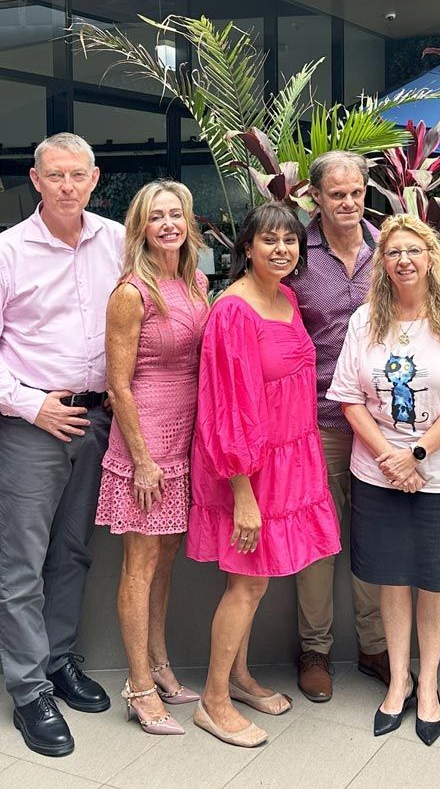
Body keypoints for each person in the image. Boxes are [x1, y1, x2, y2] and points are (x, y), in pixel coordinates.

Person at [0, 132, 122, 757]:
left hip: (99, 418)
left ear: (95, 177)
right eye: (55, 175)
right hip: (33, 423)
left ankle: (58, 661)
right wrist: (33, 405)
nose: (68, 186)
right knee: (22, 564)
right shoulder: (4, 253)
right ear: (35, 179)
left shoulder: (117, 240)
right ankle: (29, 693)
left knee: (74, 551)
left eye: (78, 175)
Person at [326, 214, 440, 746]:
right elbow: (348, 397)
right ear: (383, 263)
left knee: (434, 581)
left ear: (430, 258)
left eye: (412, 251)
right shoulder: (364, 320)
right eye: (392, 252)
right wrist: (389, 458)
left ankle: (430, 688)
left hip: (439, 473)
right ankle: (398, 681)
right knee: (392, 577)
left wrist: (415, 453)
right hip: (377, 473)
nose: (402, 260)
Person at [186, 202, 342, 748]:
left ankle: (240, 677)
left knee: (253, 582)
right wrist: (242, 493)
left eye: (290, 241)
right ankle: (213, 700)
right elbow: (226, 407)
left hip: (287, 458)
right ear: (246, 247)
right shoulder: (232, 312)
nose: (281, 249)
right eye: (269, 240)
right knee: (248, 584)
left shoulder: (287, 298)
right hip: (245, 468)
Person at [98, 180, 210, 736]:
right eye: (156, 216)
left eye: (176, 214)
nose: (168, 224)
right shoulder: (131, 292)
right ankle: (138, 687)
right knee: (139, 567)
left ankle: (161, 666)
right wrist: (142, 459)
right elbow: (117, 385)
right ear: (140, 227)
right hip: (146, 443)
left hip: (186, 439)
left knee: (166, 559)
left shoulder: (195, 282)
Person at [287, 149, 389, 701]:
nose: (348, 203)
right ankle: (315, 649)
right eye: (336, 194)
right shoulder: (296, 253)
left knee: (373, 536)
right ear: (316, 197)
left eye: (356, 193)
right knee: (319, 540)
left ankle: (374, 647)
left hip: (381, 424)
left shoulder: (388, 249)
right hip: (319, 420)